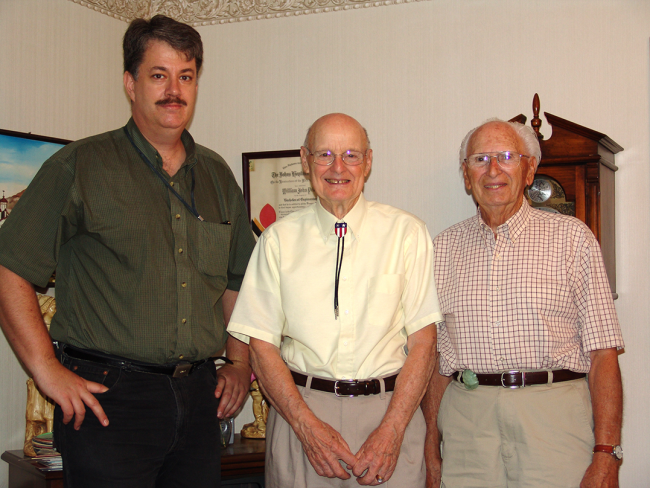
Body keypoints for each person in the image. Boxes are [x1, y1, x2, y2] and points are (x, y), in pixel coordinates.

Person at [0, 15, 255, 488]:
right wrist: (47, 371)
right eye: (158, 75)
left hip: (200, 396)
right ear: (129, 83)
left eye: (186, 76)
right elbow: (9, 266)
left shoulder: (218, 175)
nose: (173, 90)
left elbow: (240, 277)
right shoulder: (81, 165)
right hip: (109, 398)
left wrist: (238, 361)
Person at [228, 113, 442, 487]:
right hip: (302, 416)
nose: (338, 167)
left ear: (369, 161)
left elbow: (424, 343)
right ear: (305, 160)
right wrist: (306, 426)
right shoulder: (276, 242)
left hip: (389, 414)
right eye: (325, 154)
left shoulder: (407, 234)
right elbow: (261, 347)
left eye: (351, 155)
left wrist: (392, 430)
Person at [423, 119, 624, 488]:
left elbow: (603, 355)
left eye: (506, 157)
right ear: (466, 176)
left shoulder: (573, 239)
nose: (493, 169)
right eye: (480, 159)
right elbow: (437, 359)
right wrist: (430, 448)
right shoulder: (443, 248)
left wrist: (607, 453)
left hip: (554, 421)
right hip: (467, 425)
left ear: (529, 169)